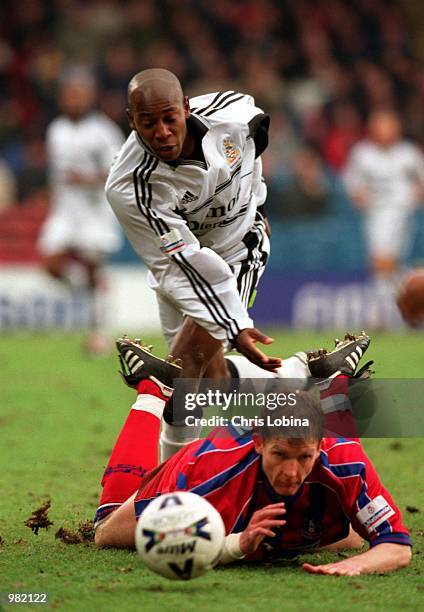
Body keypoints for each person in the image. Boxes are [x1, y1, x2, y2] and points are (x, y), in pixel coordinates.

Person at [94, 334, 412, 576]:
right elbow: (176, 543)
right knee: (106, 531)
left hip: (312, 467)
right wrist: (238, 544)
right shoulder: (210, 473)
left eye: (304, 458)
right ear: (259, 443)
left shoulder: (344, 460)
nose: (290, 471)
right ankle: (154, 390)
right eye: (280, 454)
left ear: (319, 446)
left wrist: (355, 567)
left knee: (354, 537)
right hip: (192, 474)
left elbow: (397, 546)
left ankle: (335, 382)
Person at [105, 68, 291, 458]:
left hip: (240, 250)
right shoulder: (129, 186)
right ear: (130, 120)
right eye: (148, 122)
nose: (162, 132)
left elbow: (255, 146)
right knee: (211, 378)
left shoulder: (235, 114)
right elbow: (182, 264)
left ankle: (169, 497)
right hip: (182, 269)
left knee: (180, 377)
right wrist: (234, 325)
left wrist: (257, 203)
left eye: (170, 118)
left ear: (186, 109)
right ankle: (302, 379)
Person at [38, 69, 125, 353]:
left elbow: (119, 173)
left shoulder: (104, 131)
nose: (73, 99)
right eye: (68, 94)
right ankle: (93, 292)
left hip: (95, 213)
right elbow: (57, 174)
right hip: (64, 213)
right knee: (51, 263)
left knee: (91, 267)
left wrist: (86, 180)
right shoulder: (56, 130)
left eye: (79, 93)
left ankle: (99, 333)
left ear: (89, 95)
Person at [343, 109, 424, 299]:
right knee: (382, 261)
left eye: (388, 125)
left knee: (388, 262)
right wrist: (358, 196)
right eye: (380, 125)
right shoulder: (363, 153)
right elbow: (350, 181)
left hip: (403, 213)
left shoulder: (408, 153)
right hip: (376, 213)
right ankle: (396, 302)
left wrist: (417, 195)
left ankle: (388, 303)